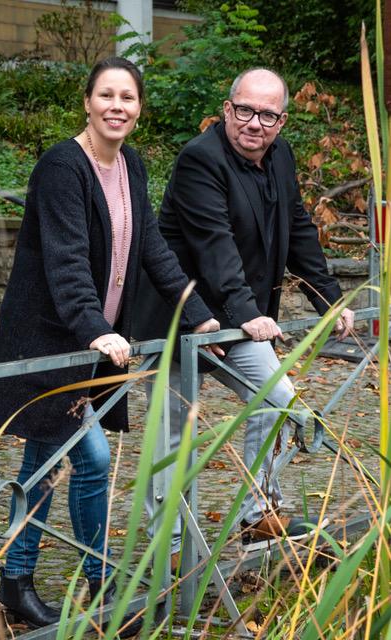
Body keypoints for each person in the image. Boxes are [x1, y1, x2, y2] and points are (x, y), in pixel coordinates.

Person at [0, 57, 221, 632]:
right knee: (83, 456)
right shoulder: (63, 167)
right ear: (87, 102)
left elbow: (153, 252)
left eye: (129, 98)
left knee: (46, 461)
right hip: (49, 342)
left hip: (95, 342)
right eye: (107, 96)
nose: (118, 106)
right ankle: (82, 578)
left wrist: (198, 316)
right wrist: (95, 329)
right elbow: (67, 262)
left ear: (139, 108)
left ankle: (32, 579)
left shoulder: (131, 166)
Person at [134, 67, 354, 559]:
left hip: (237, 317)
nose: (255, 123)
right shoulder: (199, 160)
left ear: (282, 121)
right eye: (245, 110)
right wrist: (246, 313)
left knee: (279, 400)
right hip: (181, 317)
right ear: (228, 108)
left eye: (267, 114)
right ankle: (166, 547)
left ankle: (257, 514)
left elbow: (297, 225)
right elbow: (215, 245)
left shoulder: (279, 156)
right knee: (173, 428)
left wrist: (327, 296)